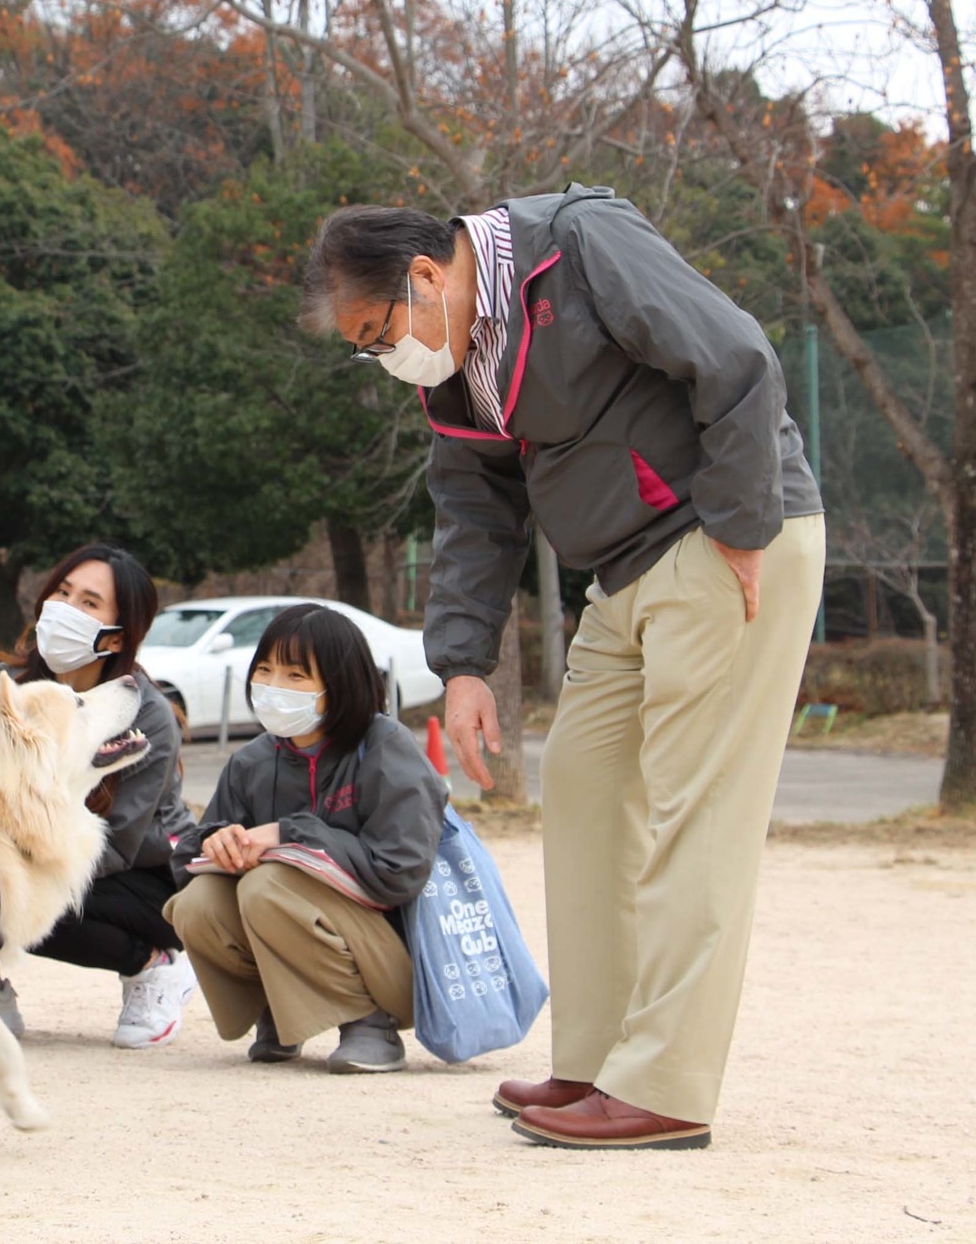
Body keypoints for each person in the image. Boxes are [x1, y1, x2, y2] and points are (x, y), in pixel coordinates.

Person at [300, 188, 825, 1147]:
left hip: (722, 535)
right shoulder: (455, 370)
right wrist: (463, 663)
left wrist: (744, 527)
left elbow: (736, 355)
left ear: (426, 276)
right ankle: (596, 1060)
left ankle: (665, 1085)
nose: (385, 358)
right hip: (621, 571)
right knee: (583, 787)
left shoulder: (579, 245)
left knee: (696, 812)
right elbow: (473, 508)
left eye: (378, 334)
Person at [165, 603, 447, 1074]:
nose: (274, 686)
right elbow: (187, 861)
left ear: (340, 684)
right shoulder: (252, 761)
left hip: (395, 962)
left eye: (296, 675)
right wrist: (217, 841)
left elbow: (400, 872)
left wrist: (287, 835)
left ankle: (369, 1022)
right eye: (265, 670)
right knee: (198, 903)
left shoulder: (384, 746)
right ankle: (279, 1011)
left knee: (267, 885)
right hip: (308, 936)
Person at [0, 544, 200, 1049]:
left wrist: (10, 868)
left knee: (10, 890)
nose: (66, 609)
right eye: (62, 593)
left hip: (141, 878)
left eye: (88, 603)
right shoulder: (8, 690)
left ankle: (152, 965)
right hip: (39, 856)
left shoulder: (146, 714)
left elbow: (119, 843)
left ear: (119, 635)